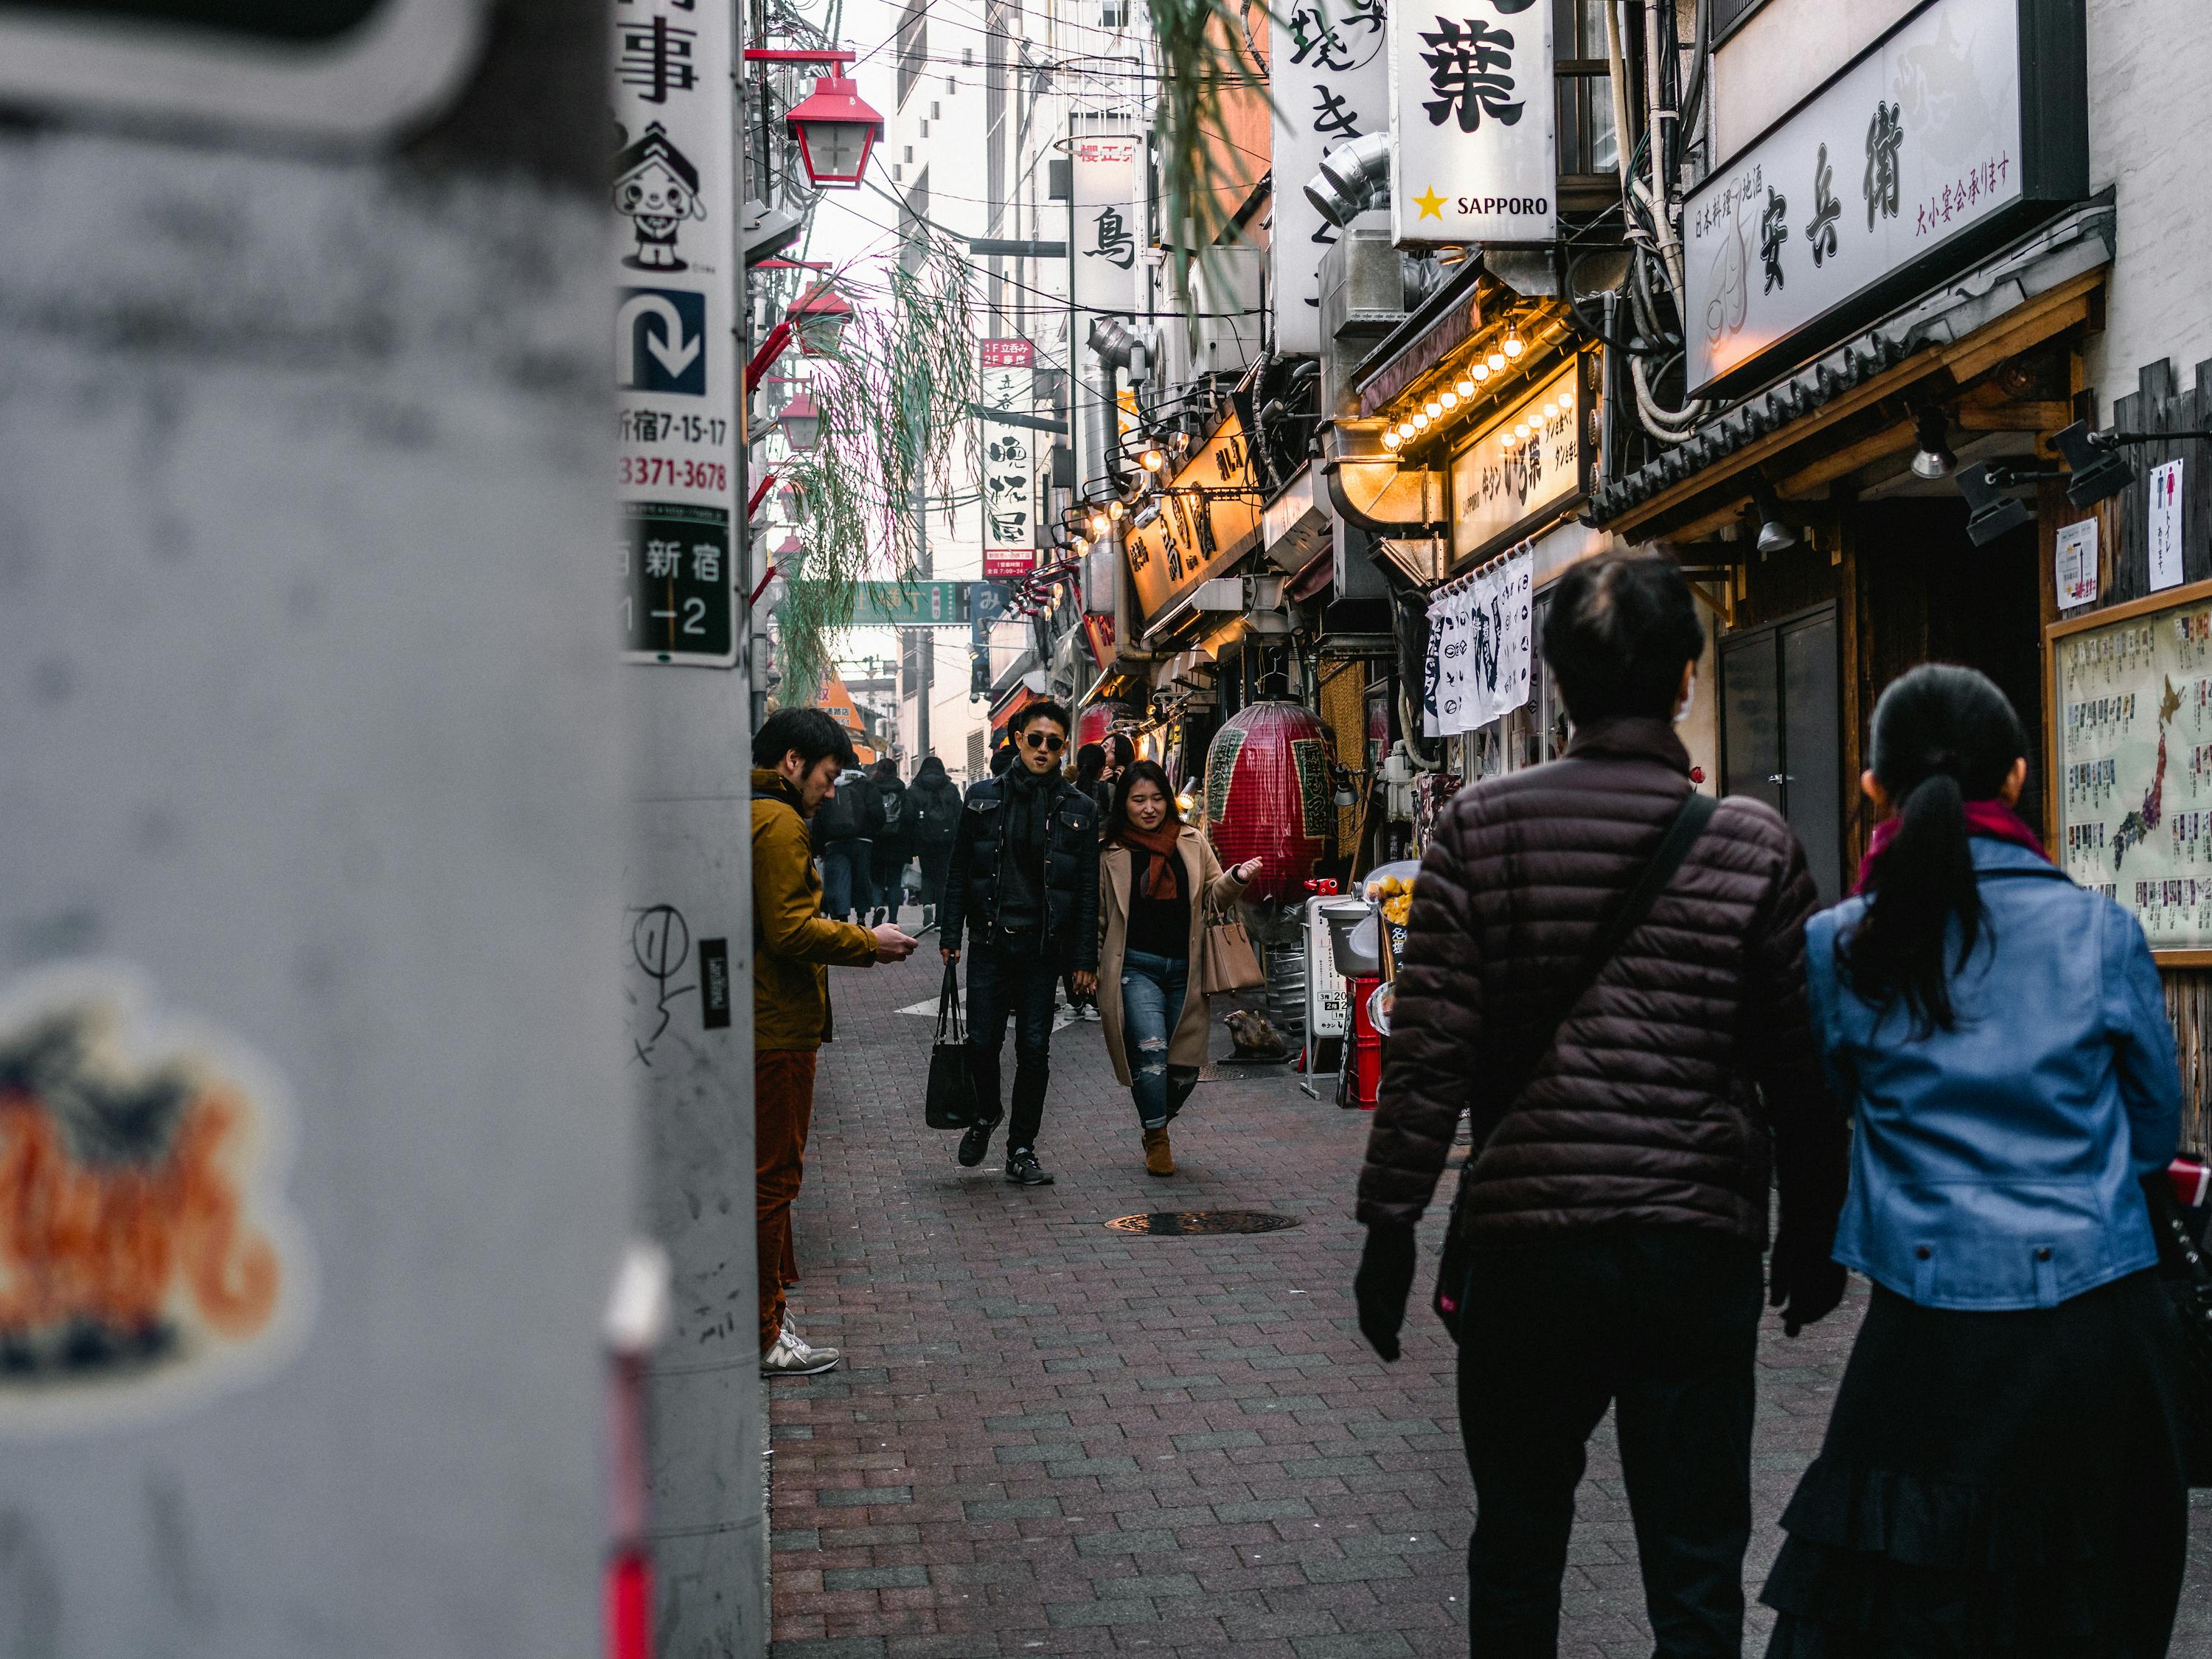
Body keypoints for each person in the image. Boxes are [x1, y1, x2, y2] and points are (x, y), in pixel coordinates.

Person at [1352, 552, 1851, 1658]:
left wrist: (1390, 1228)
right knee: (1695, 1560)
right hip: (1694, 1248)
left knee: (1520, 1539)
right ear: (1684, 677)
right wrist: (1819, 1232)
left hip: (1530, 1248)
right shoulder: (1751, 845)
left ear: (1556, 682)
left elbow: (1428, 1056)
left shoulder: (1476, 832)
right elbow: (1801, 1067)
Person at [1760, 664, 2189, 1659]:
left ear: (1874, 788)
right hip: (2096, 1324)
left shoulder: (1842, 945)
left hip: (1923, 1335)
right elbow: (2154, 1134)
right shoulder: (2101, 931)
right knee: (2086, 1603)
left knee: (1906, 1607)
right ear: (2022, 776)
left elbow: (1819, 1119)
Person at [751, 709, 917, 1377]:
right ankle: (764, 1329)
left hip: (767, 1018)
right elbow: (789, 929)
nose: (830, 791)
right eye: (825, 776)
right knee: (774, 1177)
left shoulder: (757, 813)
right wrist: (867, 944)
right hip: (776, 1026)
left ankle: (765, 1312)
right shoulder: (779, 822)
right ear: (793, 762)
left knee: (767, 1176)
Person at [939, 700, 1099, 1186]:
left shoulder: (1081, 809)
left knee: (1034, 1049)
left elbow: (1088, 892)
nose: (1045, 750)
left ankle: (1022, 1150)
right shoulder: (981, 798)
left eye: (1055, 742)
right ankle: (987, 1113)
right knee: (983, 1043)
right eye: (1036, 740)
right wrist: (950, 933)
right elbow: (959, 871)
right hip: (989, 940)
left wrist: (1083, 959)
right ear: (1018, 739)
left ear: (1064, 746)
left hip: (1043, 950)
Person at [1096, 759, 1260, 1175]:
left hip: (1188, 971)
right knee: (1150, 1052)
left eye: (1156, 799)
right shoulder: (1109, 851)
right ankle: (1156, 1137)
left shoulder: (1192, 840)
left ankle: (1157, 1114)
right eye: (1138, 800)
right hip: (1136, 968)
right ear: (1124, 804)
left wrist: (1237, 877)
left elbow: (1212, 898)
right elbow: (1097, 917)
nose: (1149, 808)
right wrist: (1091, 968)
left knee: (1185, 1068)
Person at [810, 759, 883, 922]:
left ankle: (843, 918)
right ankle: (861, 917)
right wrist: (869, 832)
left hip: (834, 842)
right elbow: (878, 815)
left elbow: (819, 816)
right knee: (861, 879)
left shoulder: (830, 784)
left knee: (839, 880)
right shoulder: (866, 785)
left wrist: (819, 846)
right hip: (862, 841)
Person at [906, 754, 962, 933]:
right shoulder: (951, 788)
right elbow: (960, 814)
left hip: (923, 840)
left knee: (927, 875)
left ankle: (927, 905)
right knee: (943, 878)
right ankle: (940, 921)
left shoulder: (916, 788)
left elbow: (909, 815)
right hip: (947, 841)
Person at [868, 756, 911, 926]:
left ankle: (878, 908)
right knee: (895, 882)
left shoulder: (871, 789)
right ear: (895, 771)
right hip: (897, 841)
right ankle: (893, 919)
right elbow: (909, 815)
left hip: (876, 840)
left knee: (877, 880)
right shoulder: (902, 790)